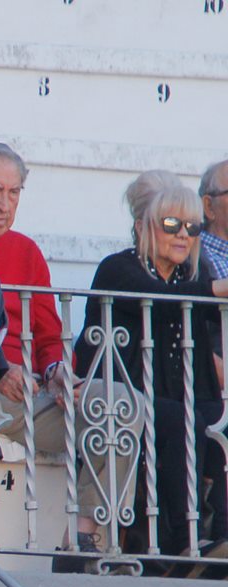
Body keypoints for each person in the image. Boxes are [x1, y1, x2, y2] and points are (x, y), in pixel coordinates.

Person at [0, 141, 131, 565]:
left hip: (28, 395)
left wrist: (56, 371)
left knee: (118, 404)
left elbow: (50, 335)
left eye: (14, 193)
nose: (5, 204)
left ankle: (82, 540)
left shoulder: (26, 251)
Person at [72, 170, 228, 559]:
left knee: (218, 418)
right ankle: (178, 544)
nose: (182, 234)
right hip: (123, 393)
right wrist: (219, 290)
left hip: (182, 395)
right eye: (171, 224)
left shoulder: (193, 274)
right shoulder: (119, 267)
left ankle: (219, 536)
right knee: (180, 420)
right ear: (145, 226)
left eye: (191, 227)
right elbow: (158, 298)